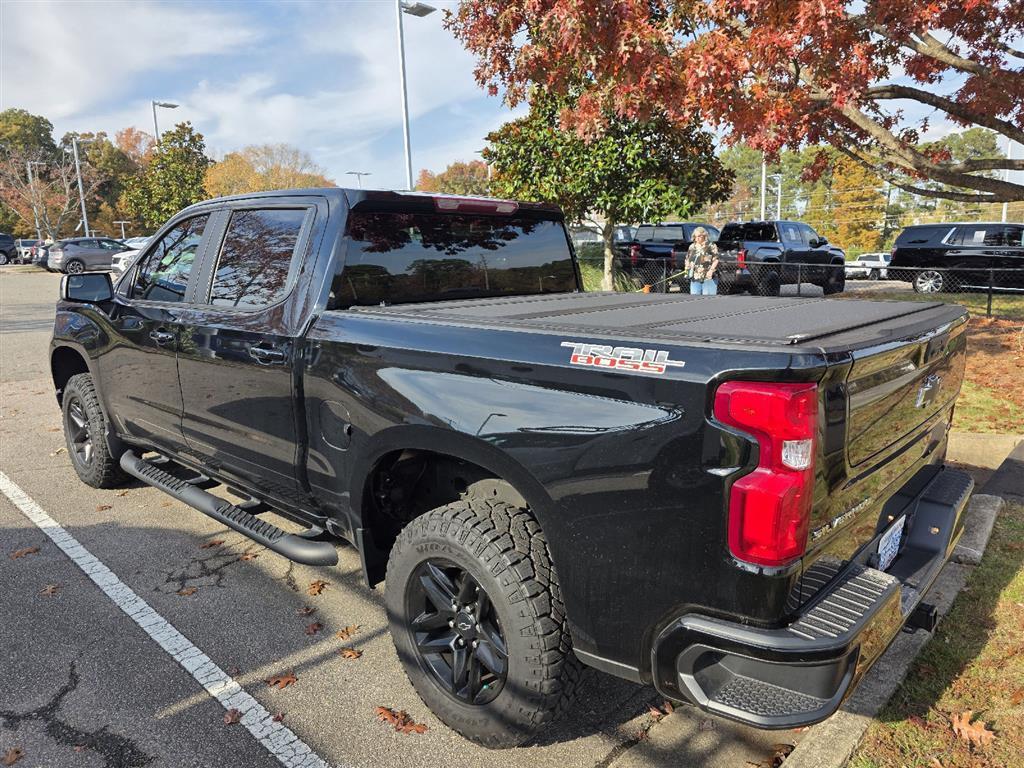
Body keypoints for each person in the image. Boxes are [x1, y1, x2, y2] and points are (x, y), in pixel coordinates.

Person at [685, 227, 719, 295]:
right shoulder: (692, 246)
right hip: (695, 277)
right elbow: (687, 259)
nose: (697, 238)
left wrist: (711, 271)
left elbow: (716, 259)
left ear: (704, 236)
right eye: (695, 236)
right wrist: (687, 269)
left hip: (708, 277)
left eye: (699, 236)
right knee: (694, 299)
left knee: (708, 300)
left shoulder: (711, 245)